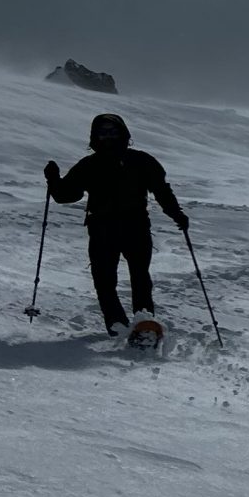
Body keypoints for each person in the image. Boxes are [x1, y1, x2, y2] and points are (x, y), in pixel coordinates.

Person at [45, 113, 187, 334]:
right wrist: (54, 180)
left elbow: (161, 191)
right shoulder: (94, 164)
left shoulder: (137, 161)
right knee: (108, 280)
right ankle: (124, 327)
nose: (108, 137)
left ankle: (140, 326)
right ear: (95, 136)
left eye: (113, 132)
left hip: (131, 226)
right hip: (108, 228)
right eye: (103, 133)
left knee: (136, 277)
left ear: (123, 134)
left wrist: (176, 214)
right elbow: (66, 195)